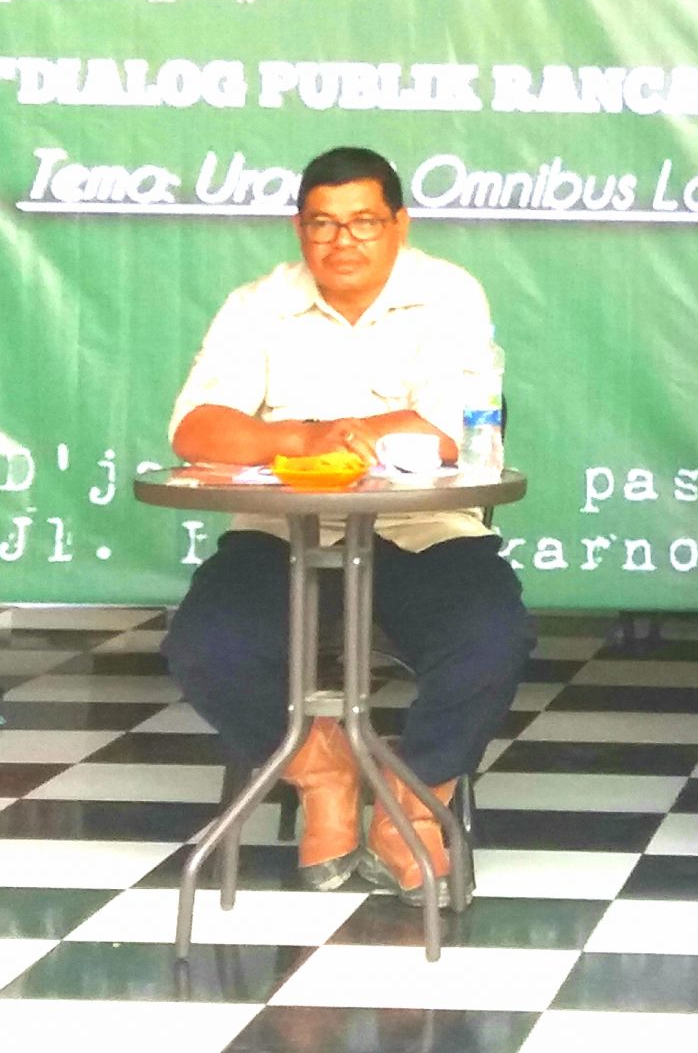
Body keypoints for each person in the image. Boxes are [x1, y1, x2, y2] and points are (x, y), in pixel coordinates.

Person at [161, 146, 531, 905]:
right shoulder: (258, 304)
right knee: (206, 646)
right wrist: (303, 439)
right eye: (323, 224)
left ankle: (411, 807)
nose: (342, 241)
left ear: (400, 224)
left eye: (364, 222)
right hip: (283, 533)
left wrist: (348, 432)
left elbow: (453, 429)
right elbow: (197, 430)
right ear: (299, 229)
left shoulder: (448, 294)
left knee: (492, 639)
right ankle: (321, 771)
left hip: (421, 529)